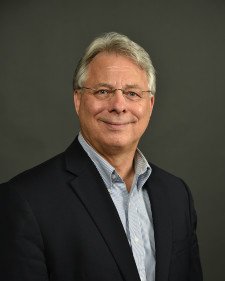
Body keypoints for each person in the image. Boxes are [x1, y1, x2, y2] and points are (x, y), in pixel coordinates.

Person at [0, 32, 203, 281]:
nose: (119, 105)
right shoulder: (24, 200)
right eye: (103, 91)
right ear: (78, 100)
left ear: (149, 105)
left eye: (132, 93)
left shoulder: (177, 194)